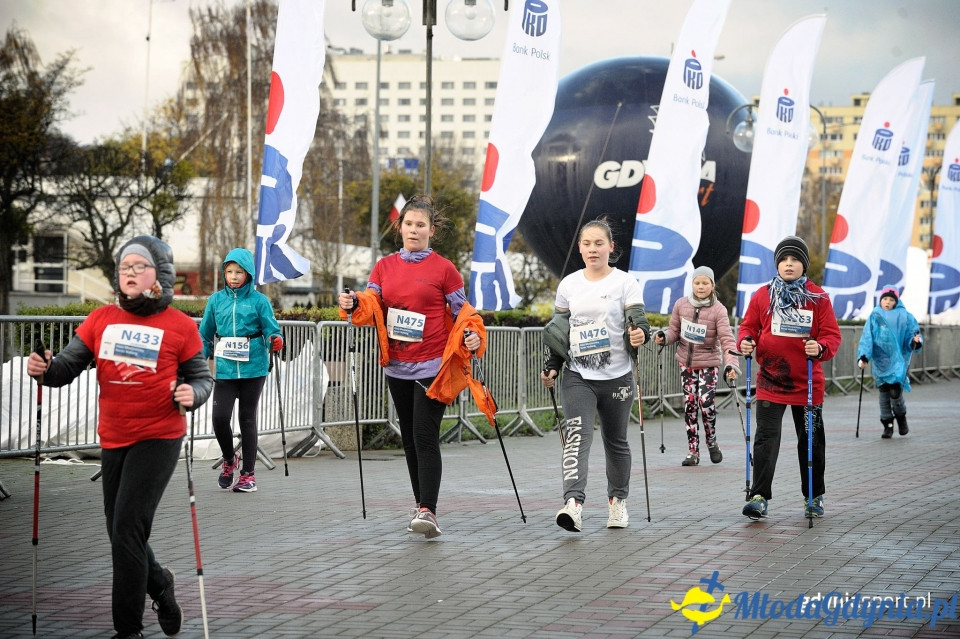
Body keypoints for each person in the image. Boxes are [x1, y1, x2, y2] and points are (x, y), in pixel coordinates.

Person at [26, 236, 213, 639]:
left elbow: (201, 378)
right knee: (118, 530)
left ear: (159, 274)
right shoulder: (101, 320)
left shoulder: (179, 326)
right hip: (113, 437)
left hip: (159, 436)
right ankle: (160, 583)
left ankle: (128, 631)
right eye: (124, 267)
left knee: (127, 528)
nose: (129, 273)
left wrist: (191, 394)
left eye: (139, 266)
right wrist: (44, 368)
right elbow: (64, 368)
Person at [337, 194, 485, 539]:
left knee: (423, 433)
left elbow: (464, 314)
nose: (414, 230)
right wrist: (353, 301)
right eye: (409, 224)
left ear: (432, 231)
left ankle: (428, 510)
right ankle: (421, 504)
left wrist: (473, 336)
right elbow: (371, 303)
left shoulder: (444, 269)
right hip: (397, 366)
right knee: (409, 439)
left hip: (433, 364)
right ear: (399, 228)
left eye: (421, 225)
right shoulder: (384, 267)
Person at [541, 218, 650, 532]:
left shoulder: (624, 283)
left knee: (615, 442)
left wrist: (640, 333)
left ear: (610, 247)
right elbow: (560, 332)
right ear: (580, 247)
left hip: (617, 377)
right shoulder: (569, 285)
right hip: (579, 377)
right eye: (586, 244)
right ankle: (573, 504)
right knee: (576, 440)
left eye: (599, 243)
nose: (592, 249)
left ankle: (617, 503)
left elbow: (638, 320)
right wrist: (551, 365)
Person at [737, 235, 841, 521]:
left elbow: (832, 335)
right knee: (766, 439)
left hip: (807, 384)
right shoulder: (762, 295)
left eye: (795, 260)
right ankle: (758, 497)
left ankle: (813, 496)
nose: (789, 264)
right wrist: (746, 341)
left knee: (810, 440)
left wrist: (819, 347)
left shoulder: (818, 297)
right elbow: (748, 326)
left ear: (804, 265)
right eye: (784, 259)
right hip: (771, 380)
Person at [199, 247, 283, 493]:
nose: (234, 276)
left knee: (247, 418)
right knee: (219, 418)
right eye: (229, 271)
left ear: (249, 274)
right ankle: (229, 460)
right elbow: (205, 335)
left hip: (253, 368)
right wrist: (196, 360)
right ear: (224, 273)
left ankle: (248, 474)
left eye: (239, 272)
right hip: (225, 369)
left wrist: (275, 340)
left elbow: (272, 329)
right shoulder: (215, 300)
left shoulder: (259, 301)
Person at [654, 265, 740, 467]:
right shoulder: (681, 305)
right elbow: (674, 331)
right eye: (697, 282)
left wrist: (732, 365)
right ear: (692, 284)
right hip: (687, 363)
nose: (701, 287)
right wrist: (664, 337)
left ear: (712, 285)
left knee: (706, 402)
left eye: (705, 283)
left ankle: (711, 440)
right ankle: (693, 451)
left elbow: (727, 339)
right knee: (690, 405)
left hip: (709, 363)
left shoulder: (718, 310)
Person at [856, 287, 922, 438]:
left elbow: (913, 333)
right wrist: (864, 356)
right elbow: (867, 337)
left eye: (891, 300)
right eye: (885, 299)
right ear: (880, 299)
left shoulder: (905, 316)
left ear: (896, 301)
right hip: (881, 360)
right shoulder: (875, 315)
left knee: (895, 391)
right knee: (884, 392)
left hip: (898, 360)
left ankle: (901, 417)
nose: (887, 302)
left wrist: (915, 341)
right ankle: (888, 425)